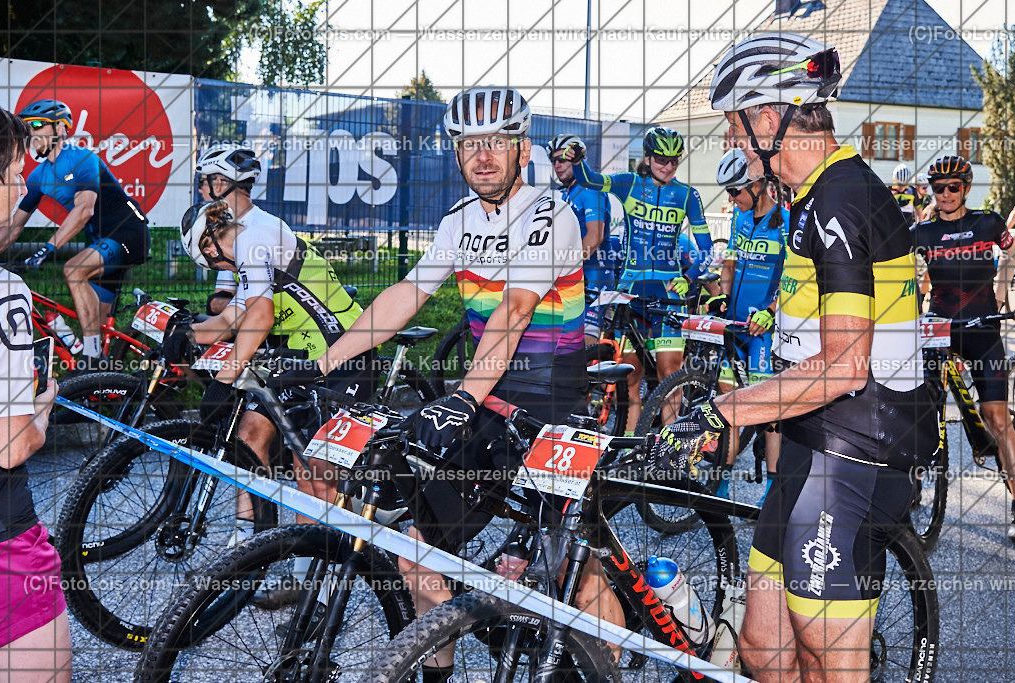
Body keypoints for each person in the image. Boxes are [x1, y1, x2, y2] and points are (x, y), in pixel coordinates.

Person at [305, 85, 625, 677]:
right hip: (488, 399)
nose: (483, 155)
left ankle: (610, 666)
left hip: (553, 406)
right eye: (470, 144)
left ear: (523, 150)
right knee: (420, 556)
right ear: (456, 154)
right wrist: (324, 361)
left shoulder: (551, 214)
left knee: (575, 572)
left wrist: (458, 399)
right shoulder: (457, 221)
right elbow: (406, 296)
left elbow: (515, 312)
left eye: (498, 143)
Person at [653, 33, 937, 679]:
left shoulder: (841, 196)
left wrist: (726, 410)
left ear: (768, 118)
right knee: (763, 647)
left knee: (827, 660)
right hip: (814, 434)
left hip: (861, 446)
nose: (732, 143)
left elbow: (844, 364)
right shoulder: (808, 199)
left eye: (733, 126)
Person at [165, 195, 371, 544]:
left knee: (313, 474)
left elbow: (260, 317)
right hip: (300, 359)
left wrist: (225, 380)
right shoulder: (250, 243)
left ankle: (315, 575)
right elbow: (233, 316)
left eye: (215, 267)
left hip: (342, 352)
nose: (222, 273)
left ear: (211, 249)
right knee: (249, 435)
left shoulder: (255, 238)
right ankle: (248, 541)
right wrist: (186, 333)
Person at [568, 126, 716, 433]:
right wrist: (579, 159)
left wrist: (689, 278)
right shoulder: (629, 183)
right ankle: (630, 450)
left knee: (669, 375)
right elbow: (590, 179)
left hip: (667, 294)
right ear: (647, 158)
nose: (668, 166)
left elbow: (706, 250)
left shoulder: (688, 195)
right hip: (631, 294)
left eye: (675, 160)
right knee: (630, 378)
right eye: (661, 159)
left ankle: (669, 452)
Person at [0, 102, 71, 681]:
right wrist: (41, 411)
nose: (25, 177)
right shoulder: (4, 293)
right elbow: (10, 446)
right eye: (15, 168)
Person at [913, 155, 1015, 540]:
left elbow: (1011, 251)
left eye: (953, 187)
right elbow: (905, 278)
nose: (945, 194)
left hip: (982, 328)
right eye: (938, 188)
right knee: (919, 411)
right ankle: (912, 486)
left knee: (996, 419)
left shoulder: (987, 222)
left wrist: (1005, 298)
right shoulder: (922, 233)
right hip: (937, 329)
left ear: (966, 188)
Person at [10, 99, 151, 372]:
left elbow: (84, 209)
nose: (31, 132)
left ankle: (91, 358)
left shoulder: (83, 158)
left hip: (129, 233)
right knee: (95, 325)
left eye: (37, 125)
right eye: (27, 127)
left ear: (61, 129)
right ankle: (105, 380)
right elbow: (13, 227)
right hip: (102, 243)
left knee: (74, 270)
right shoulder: (38, 175)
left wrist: (47, 249)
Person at [710, 147, 788, 504]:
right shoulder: (740, 220)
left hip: (764, 331)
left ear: (758, 186)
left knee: (768, 413)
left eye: (735, 191)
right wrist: (722, 299)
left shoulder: (785, 223)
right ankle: (721, 484)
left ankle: (773, 486)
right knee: (727, 406)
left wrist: (771, 310)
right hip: (737, 324)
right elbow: (730, 264)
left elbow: (794, 279)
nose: (731, 198)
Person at [546, 134, 612, 342]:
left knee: (584, 346)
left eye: (562, 160)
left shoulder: (590, 189)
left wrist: (563, 268)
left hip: (597, 276)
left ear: (577, 160)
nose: (557, 165)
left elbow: (594, 237)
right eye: (553, 160)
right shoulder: (568, 192)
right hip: (579, 276)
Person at [193, 161, 238, 315]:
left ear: (218, 184)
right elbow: (217, 302)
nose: (199, 190)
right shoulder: (225, 226)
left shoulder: (250, 226)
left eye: (202, 183)